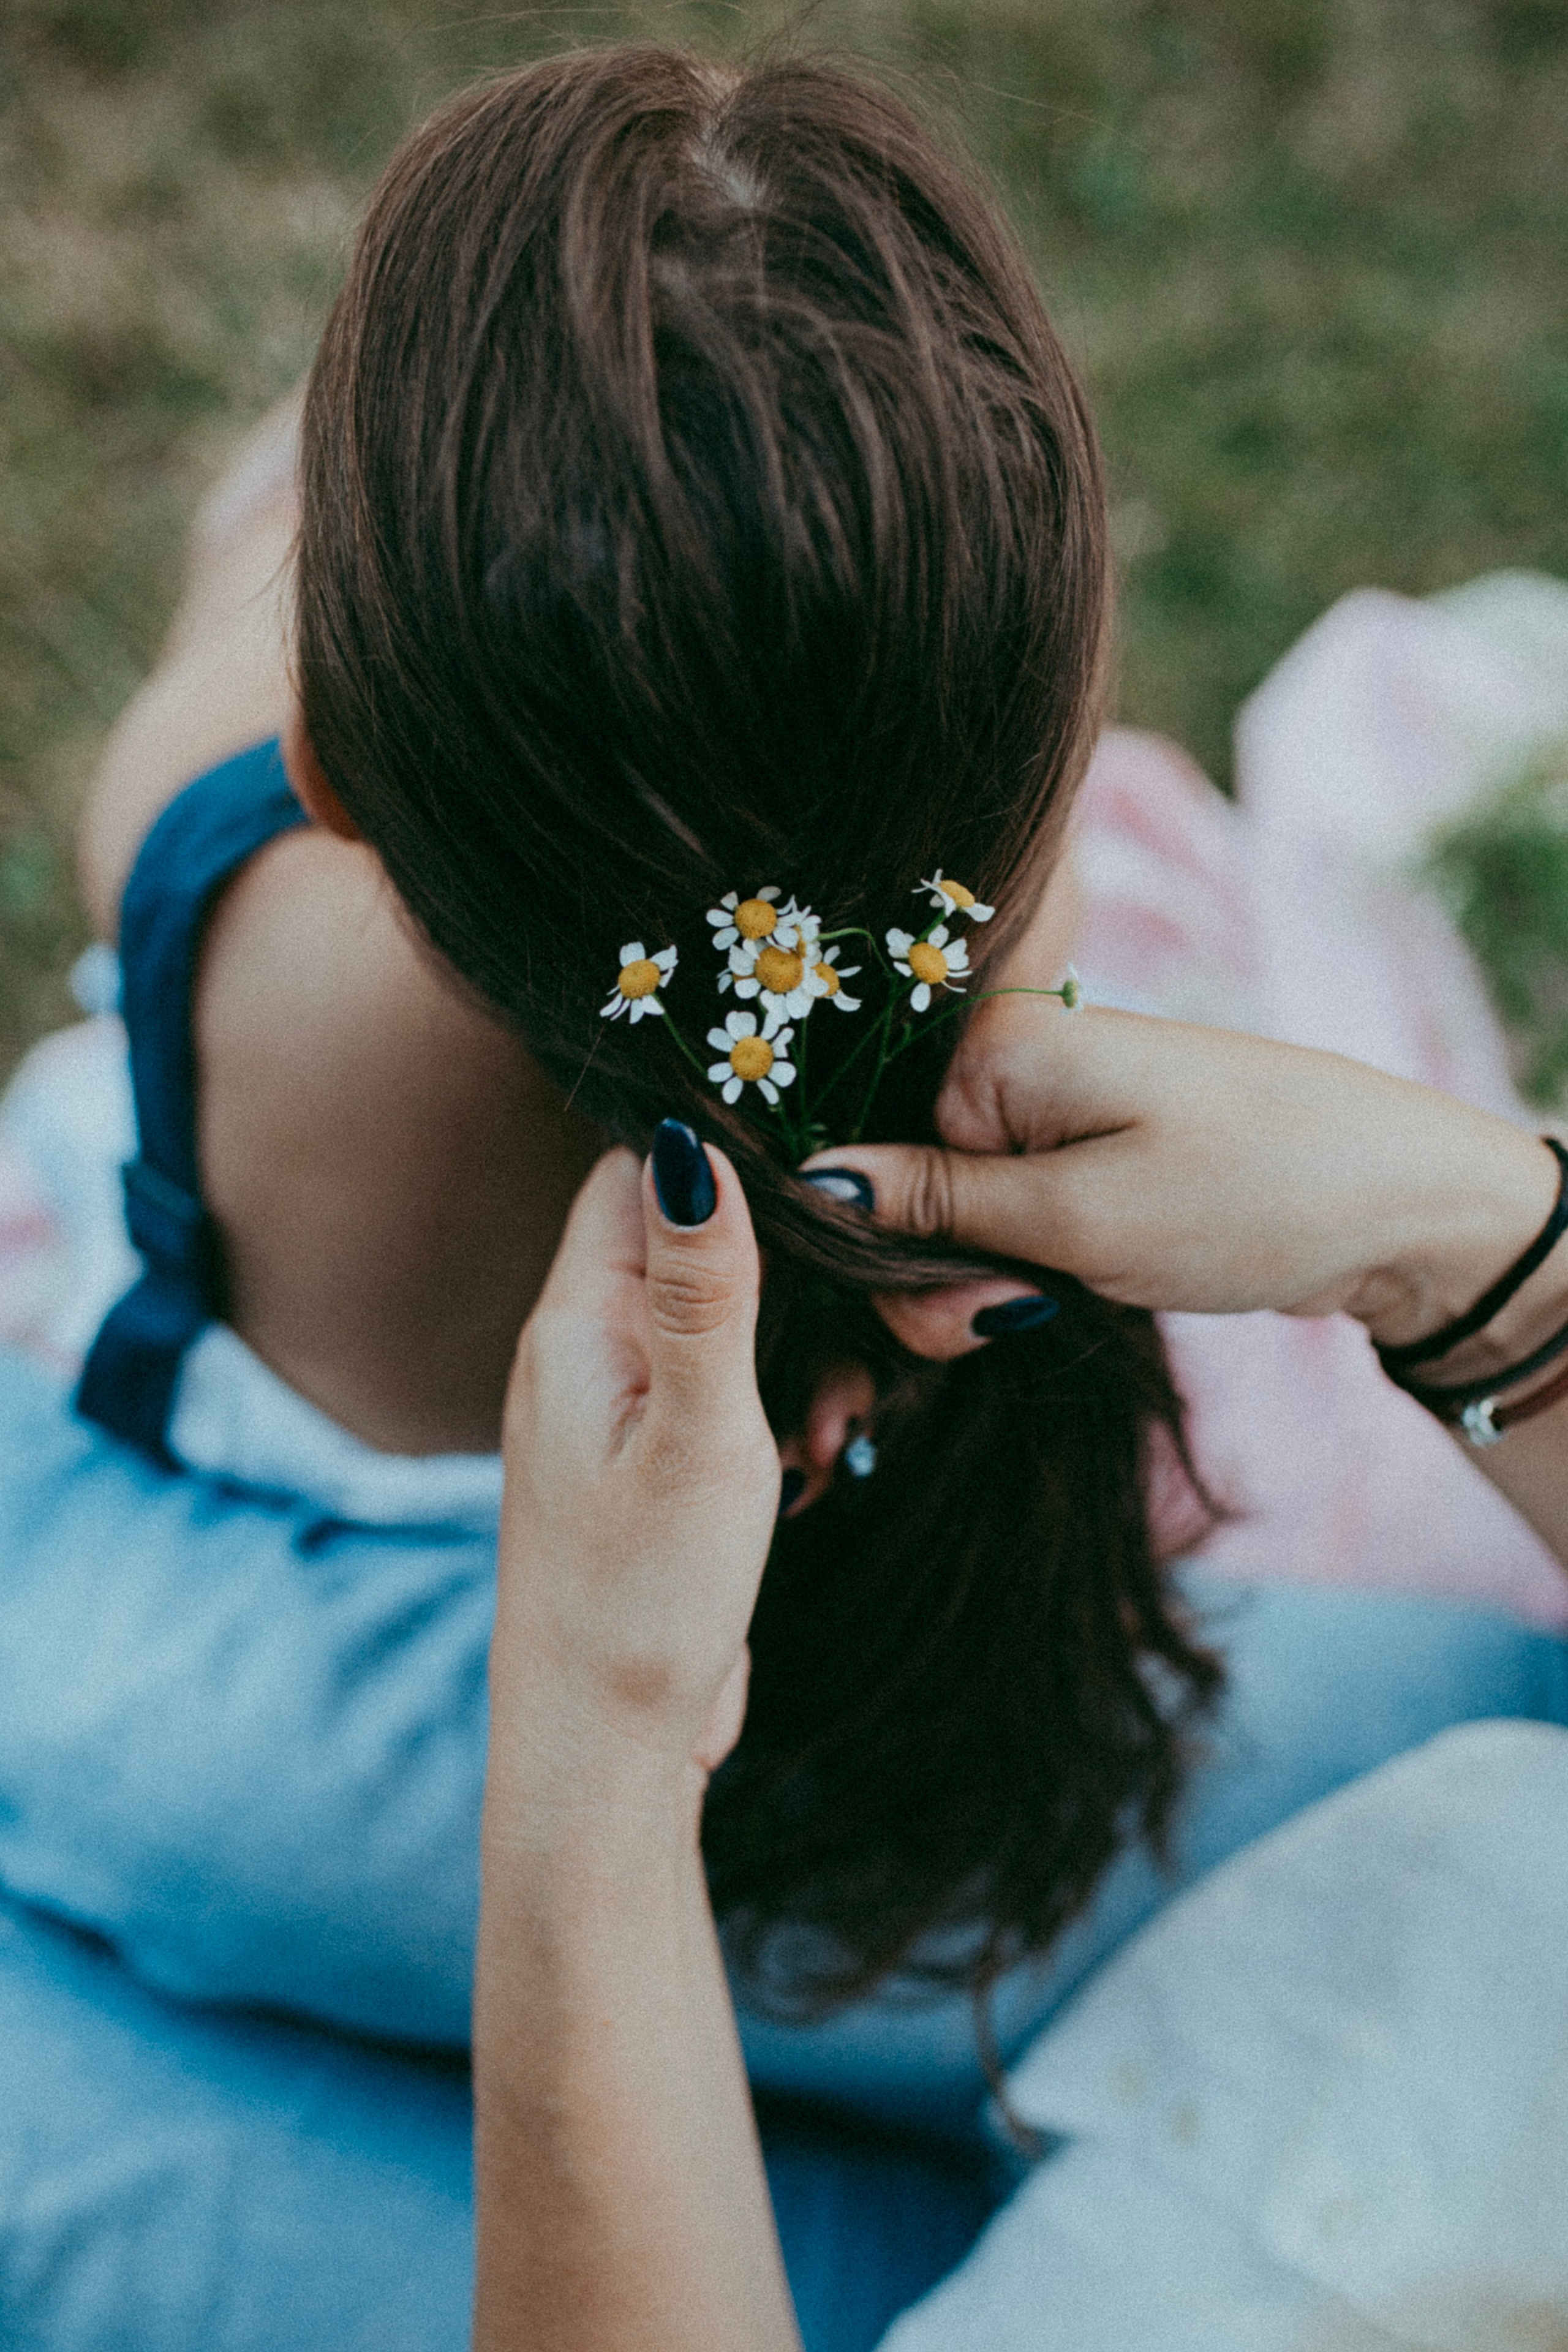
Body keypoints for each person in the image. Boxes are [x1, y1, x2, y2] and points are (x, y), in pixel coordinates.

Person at [4, 40, 1568, 2351]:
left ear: (333, 770)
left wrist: (596, 1761)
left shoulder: (232, 877)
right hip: (1356, 1936)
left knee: (102, 1857)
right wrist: (1482, 1258)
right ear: (1058, 761)